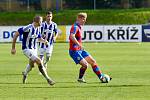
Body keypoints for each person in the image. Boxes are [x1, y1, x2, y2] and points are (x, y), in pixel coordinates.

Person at [11, 16, 55, 86]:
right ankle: (48, 79)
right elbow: (16, 34)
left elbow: (39, 38)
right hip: (26, 49)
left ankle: (25, 73)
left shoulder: (38, 28)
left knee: (31, 65)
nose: (42, 22)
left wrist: (44, 41)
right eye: (41, 21)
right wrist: (13, 48)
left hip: (34, 49)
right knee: (39, 61)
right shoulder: (28, 28)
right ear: (36, 21)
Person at [69, 12, 112, 83]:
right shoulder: (75, 27)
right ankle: (80, 79)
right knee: (85, 65)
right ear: (78, 18)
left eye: (85, 19)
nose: (84, 21)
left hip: (80, 50)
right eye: (83, 19)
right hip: (74, 51)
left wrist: (79, 46)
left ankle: (101, 77)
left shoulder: (79, 26)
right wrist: (79, 44)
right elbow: (71, 36)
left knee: (93, 62)